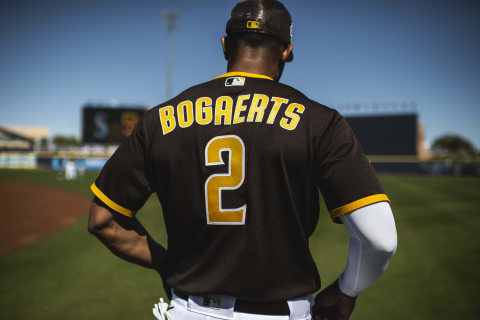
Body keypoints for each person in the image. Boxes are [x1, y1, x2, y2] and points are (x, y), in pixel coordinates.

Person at [87, 1, 397, 319]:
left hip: (187, 310)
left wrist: (167, 265)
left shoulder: (159, 119)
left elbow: (103, 220)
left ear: (224, 45)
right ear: (287, 50)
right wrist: (347, 289)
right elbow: (380, 239)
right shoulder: (319, 121)